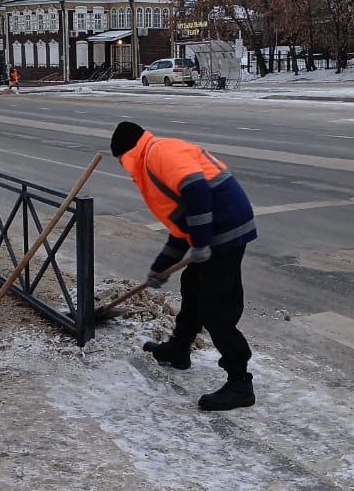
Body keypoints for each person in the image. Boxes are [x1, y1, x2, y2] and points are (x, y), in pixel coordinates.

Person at [110, 120, 257, 412]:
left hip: (226, 230)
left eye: (122, 163)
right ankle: (179, 349)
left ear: (127, 153)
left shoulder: (159, 153)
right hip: (214, 229)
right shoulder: (152, 162)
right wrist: (160, 267)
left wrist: (202, 242)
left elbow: (197, 190)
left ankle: (240, 383)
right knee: (192, 287)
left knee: (217, 308)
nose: (125, 170)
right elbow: (181, 228)